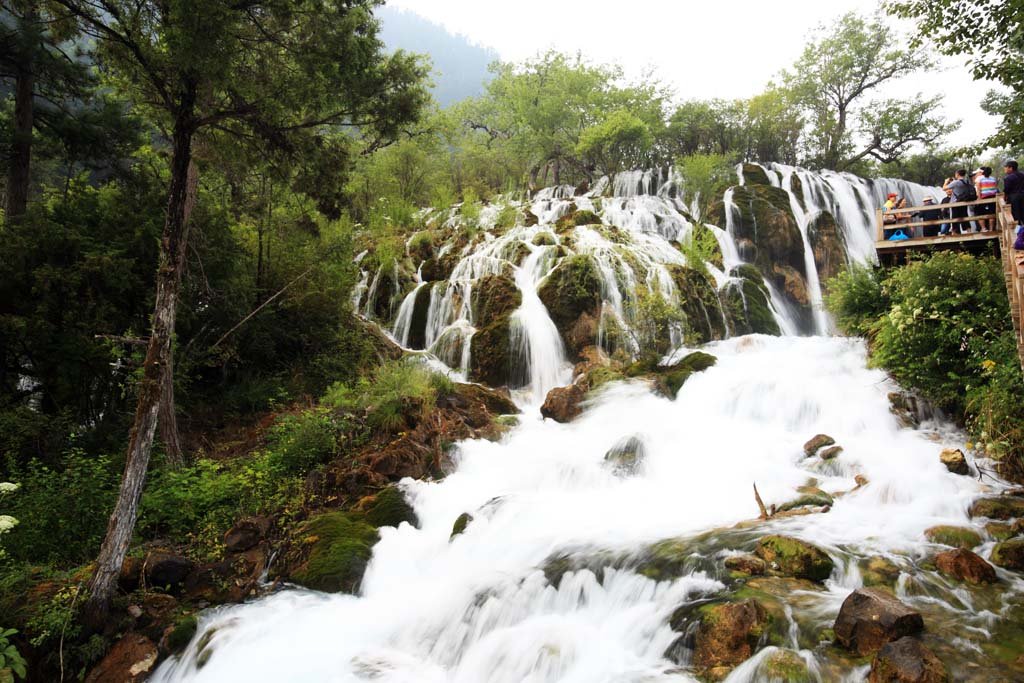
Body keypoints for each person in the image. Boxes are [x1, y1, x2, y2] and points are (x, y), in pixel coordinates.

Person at [1004, 159, 1024, 250]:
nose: (1005, 169)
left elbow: (1006, 190)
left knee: (1016, 219)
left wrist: (1005, 198)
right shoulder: (1022, 175)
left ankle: (1018, 237)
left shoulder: (1008, 178)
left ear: (1011, 168)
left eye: (1006, 167)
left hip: (1014, 198)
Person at [947, 169, 974, 234]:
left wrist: (946, 181)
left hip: (955, 202)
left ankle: (954, 233)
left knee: (954, 218)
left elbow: (944, 188)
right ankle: (969, 232)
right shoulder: (967, 182)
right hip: (964, 201)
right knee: (965, 216)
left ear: (958, 174)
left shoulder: (956, 182)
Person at [974, 166, 998, 232]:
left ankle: (983, 228)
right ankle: (991, 229)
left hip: (983, 197)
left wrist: (979, 198)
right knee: (991, 213)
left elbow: (978, 189)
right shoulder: (993, 179)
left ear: (983, 172)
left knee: (980, 213)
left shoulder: (979, 178)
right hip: (993, 197)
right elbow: (995, 189)